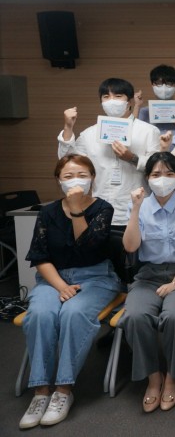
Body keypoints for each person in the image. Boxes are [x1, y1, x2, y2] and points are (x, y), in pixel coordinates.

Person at [19, 155, 123, 429]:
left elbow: (88, 247)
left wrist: (77, 209)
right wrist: (61, 286)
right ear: (58, 180)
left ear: (92, 178)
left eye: (82, 175)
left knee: (74, 314)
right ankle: (40, 391)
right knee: (40, 314)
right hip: (53, 279)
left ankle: (64, 390)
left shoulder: (103, 208)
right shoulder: (47, 212)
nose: (75, 180)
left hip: (95, 277)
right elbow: (39, 257)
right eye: (68, 176)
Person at [122, 152, 175, 413]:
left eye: (169, 174)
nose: (163, 179)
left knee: (174, 317)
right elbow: (130, 246)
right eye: (156, 174)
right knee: (134, 316)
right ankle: (153, 377)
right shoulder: (140, 204)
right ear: (147, 178)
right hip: (149, 275)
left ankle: (173, 375)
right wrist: (135, 209)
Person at [58, 78, 161, 226]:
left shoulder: (148, 131)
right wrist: (68, 127)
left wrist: (132, 158)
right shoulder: (90, 134)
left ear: (129, 101)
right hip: (99, 211)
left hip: (137, 211)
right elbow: (67, 162)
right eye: (106, 97)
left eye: (118, 96)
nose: (111, 101)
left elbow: (158, 168)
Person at [137, 64, 175, 136]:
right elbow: (135, 134)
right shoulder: (143, 112)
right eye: (159, 83)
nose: (164, 87)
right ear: (152, 85)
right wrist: (137, 106)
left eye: (169, 83)